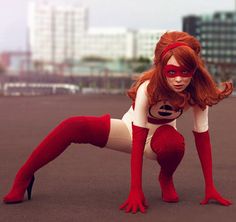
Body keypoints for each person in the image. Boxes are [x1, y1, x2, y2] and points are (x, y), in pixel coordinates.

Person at [3, 31, 233, 213]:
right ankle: (24, 176)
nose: (180, 79)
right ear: (161, 68)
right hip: (130, 132)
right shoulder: (148, 89)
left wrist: (210, 186)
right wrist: (135, 190)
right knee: (72, 125)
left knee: (174, 144)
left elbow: (202, 138)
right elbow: (139, 134)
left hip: (161, 140)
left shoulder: (197, 92)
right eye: (172, 72)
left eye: (187, 71)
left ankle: (166, 178)